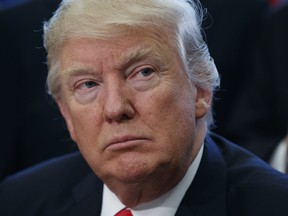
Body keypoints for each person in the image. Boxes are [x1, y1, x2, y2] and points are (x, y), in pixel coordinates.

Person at [1, 0, 288, 215]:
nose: (115, 108)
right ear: (66, 115)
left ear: (201, 90)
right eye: (88, 85)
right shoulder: (17, 202)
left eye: (143, 73)